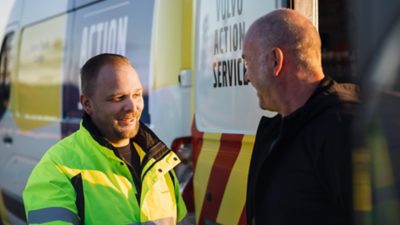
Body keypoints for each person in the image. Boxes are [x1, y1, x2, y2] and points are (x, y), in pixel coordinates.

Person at [23, 53, 190, 225]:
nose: (132, 107)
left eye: (137, 94)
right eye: (118, 98)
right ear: (87, 104)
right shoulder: (56, 168)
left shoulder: (159, 162)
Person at [243, 9, 358, 225]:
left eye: (248, 63)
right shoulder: (280, 129)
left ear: (275, 61)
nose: (246, 76)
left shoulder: (340, 129)